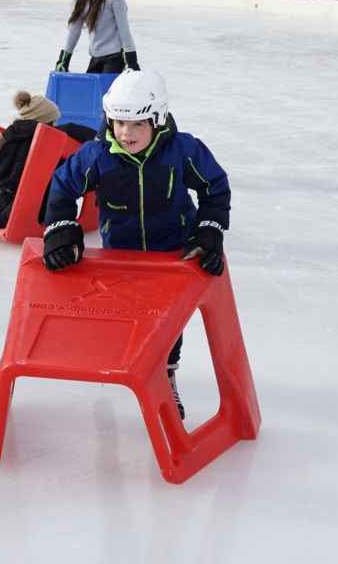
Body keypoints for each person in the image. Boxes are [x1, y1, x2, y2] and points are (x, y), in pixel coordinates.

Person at [40, 70, 229, 420]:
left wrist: (209, 229)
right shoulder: (97, 155)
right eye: (118, 123)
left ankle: (166, 372)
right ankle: (125, 364)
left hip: (173, 251)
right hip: (121, 254)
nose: (126, 133)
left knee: (168, 320)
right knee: (122, 310)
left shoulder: (183, 150)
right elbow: (62, 188)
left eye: (137, 124)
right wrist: (62, 227)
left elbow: (214, 187)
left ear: (157, 120)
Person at [0, 90, 95, 229]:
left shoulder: (9, 137)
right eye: (55, 121)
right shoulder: (48, 140)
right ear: (47, 122)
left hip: (4, 193)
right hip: (35, 206)